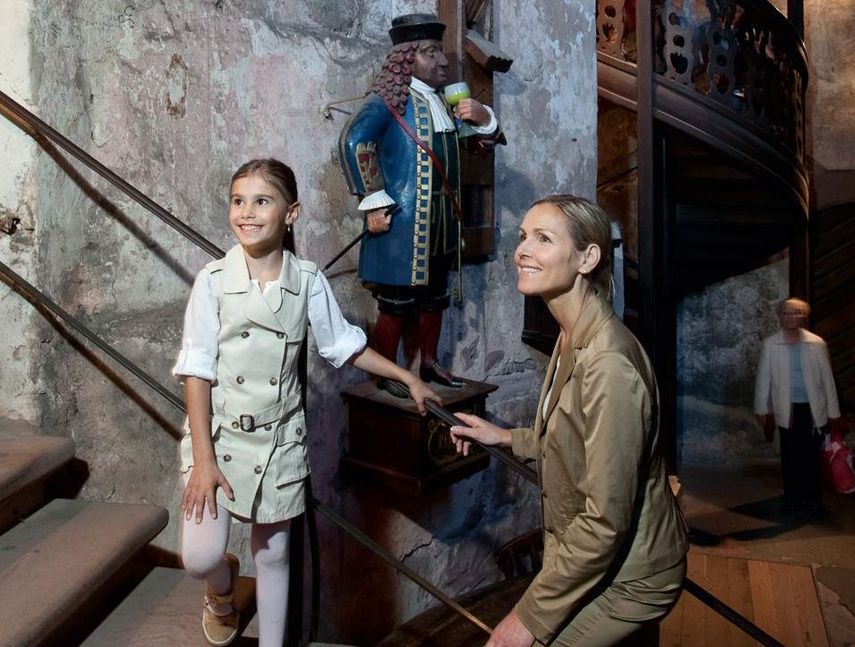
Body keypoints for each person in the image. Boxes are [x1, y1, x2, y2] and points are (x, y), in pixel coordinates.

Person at [172, 159, 438, 647]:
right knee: (199, 557)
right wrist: (204, 462)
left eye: (261, 201)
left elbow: (346, 346)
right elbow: (197, 371)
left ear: (291, 213)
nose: (246, 213)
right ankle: (222, 588)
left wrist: (407, 377)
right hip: (220, 438)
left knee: (273, 555)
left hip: (278, 441)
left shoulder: (308, 280)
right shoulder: (212, 281)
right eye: (238, 201)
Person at [450, 195, 689, 646]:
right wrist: (505, 437)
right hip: (602, 559)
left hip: (633, 576)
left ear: (587, 257)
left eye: (543, 238)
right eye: (523, 237)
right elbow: (580, 441)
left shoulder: (608, 364)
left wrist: (527, 620)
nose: (522, 250)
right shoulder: (569, 334)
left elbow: (605, 520)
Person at [338, 13, 503, 390]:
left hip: (442, 220)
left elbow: (477, 147)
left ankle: (429, 363)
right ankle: (386, 372)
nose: (443, 61)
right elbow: (354, 141)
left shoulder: (444, 103)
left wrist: (483, 118)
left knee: (435, 297)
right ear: (406, 58)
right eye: (431, 53)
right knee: (395, 300)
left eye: (440, 53)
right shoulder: (390, 100)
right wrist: (375, 201)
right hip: (403, 222)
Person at [754, 297, 840, 516]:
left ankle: (813, 500)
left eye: (796, 313)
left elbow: (827, 380)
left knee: (811, 457)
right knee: (790, 455)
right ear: (780, 316)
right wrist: (761, 408)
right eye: (786, 313)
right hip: (787, 408)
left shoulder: (816, 343)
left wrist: (833, 412)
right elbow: (763, 379)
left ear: (804, 316)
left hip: (812, 409)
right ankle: (791, 499)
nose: (791, 317)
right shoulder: (771, 344)